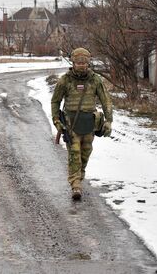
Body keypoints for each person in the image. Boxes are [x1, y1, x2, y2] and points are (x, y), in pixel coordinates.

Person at [51, 47, 112, 201]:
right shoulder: (65, 80)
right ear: (73, 62)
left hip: (89, 125)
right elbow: (55, 101)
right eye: (78, 62)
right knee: (74, 154)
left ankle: (80, 176)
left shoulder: (95, 80)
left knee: (85, 154)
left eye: (84, 62)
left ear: (88, 62)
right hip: (71, 125)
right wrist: (57, 121)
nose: (81, 65)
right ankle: (75, 185)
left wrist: (109, 121)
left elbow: (106, 101)